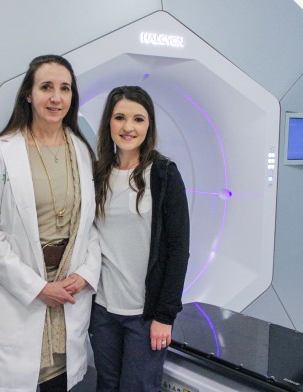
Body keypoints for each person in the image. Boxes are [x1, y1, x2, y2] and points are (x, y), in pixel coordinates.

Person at [0, 54, 101, 392]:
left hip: (68, 297)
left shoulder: (83, 152)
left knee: (58, 382)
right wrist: (38, 288)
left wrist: (84, 274)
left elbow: (91, 227)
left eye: (65, 89)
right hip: (16, 299)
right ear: (28, 94)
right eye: (46, 87)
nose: (56, 97)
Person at [90, 86, 190, 391]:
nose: (128, 127)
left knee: (139, 387)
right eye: (120, 117)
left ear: (149, 126)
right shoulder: (96, 174)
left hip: (144, 315)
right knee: (106, 385)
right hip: (104, 310)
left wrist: (165, 316)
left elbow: (178, 249)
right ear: (109, 122)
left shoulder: (164, 174)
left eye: (138, 119)